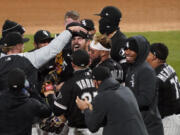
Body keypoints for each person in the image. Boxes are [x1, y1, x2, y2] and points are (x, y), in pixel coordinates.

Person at [0, 25, 87, 92]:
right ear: (18, 46)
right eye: (22, 43)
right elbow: (52, 49)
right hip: (24, 104)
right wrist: (69, 31)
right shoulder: (29, 58)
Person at [76, 66, 149, 135]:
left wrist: (85, 109)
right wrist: (92, 110)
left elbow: (93, 127)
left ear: (97, 82)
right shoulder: (126, 90)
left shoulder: (102, 97)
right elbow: (112, 115)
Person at [42, 49, 97, 135]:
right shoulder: (98, 78)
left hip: (78, 130)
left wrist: (50, 94)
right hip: (98, 128)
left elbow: (57, 110)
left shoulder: (70, 83)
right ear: (89, 62)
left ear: (72, 64)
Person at [124, 35, 164, 135]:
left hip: (149, 128)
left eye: (131, 49)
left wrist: (122, 102)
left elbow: (145, 100)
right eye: (126, 49)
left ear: (140, 51)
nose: (127, 52)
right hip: (139, 125)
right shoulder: (132, 67)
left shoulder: (146, 70)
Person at [0, 68, 51, 135]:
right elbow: (48, 111)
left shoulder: (1, 99)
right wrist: (33, 92)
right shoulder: (31, 104)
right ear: (24, 83)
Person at [146, 43, 180, 135]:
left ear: (154, 56)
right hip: (175, 118)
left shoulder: (156, 77)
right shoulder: (169, 68)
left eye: (147, 53)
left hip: (168, 124)